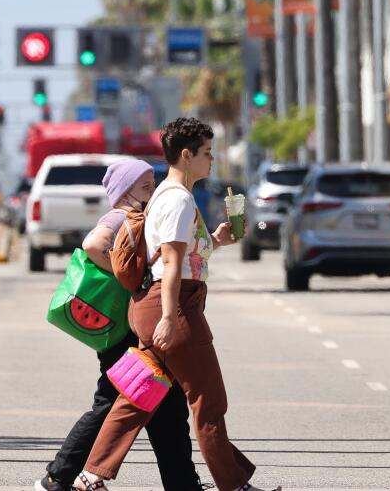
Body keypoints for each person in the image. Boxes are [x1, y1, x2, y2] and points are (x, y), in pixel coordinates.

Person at [74, 118, 281, 491]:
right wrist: (170, 317)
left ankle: (90, 476)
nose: (212, 160)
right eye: (205, 153)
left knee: (139, 395)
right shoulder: (178, 199)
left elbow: (180, 257)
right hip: (174, 305)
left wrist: (215, 241)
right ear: (186, 155)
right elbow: (170, 263)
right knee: (208, 402)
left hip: (160, 303)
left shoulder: (168, 197)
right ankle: (234, 485)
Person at [37, 158, 207, 491]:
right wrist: (132, 278)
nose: (153, 190)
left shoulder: (139, 216)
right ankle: (58, 476)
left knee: (165, 407)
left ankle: (182, 483)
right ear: (126, 191)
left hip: (131, 328)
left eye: (151, 183)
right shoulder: (120, 216)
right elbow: (92, 244)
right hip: (124, 331)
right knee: (115, 403)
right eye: (145, 186)